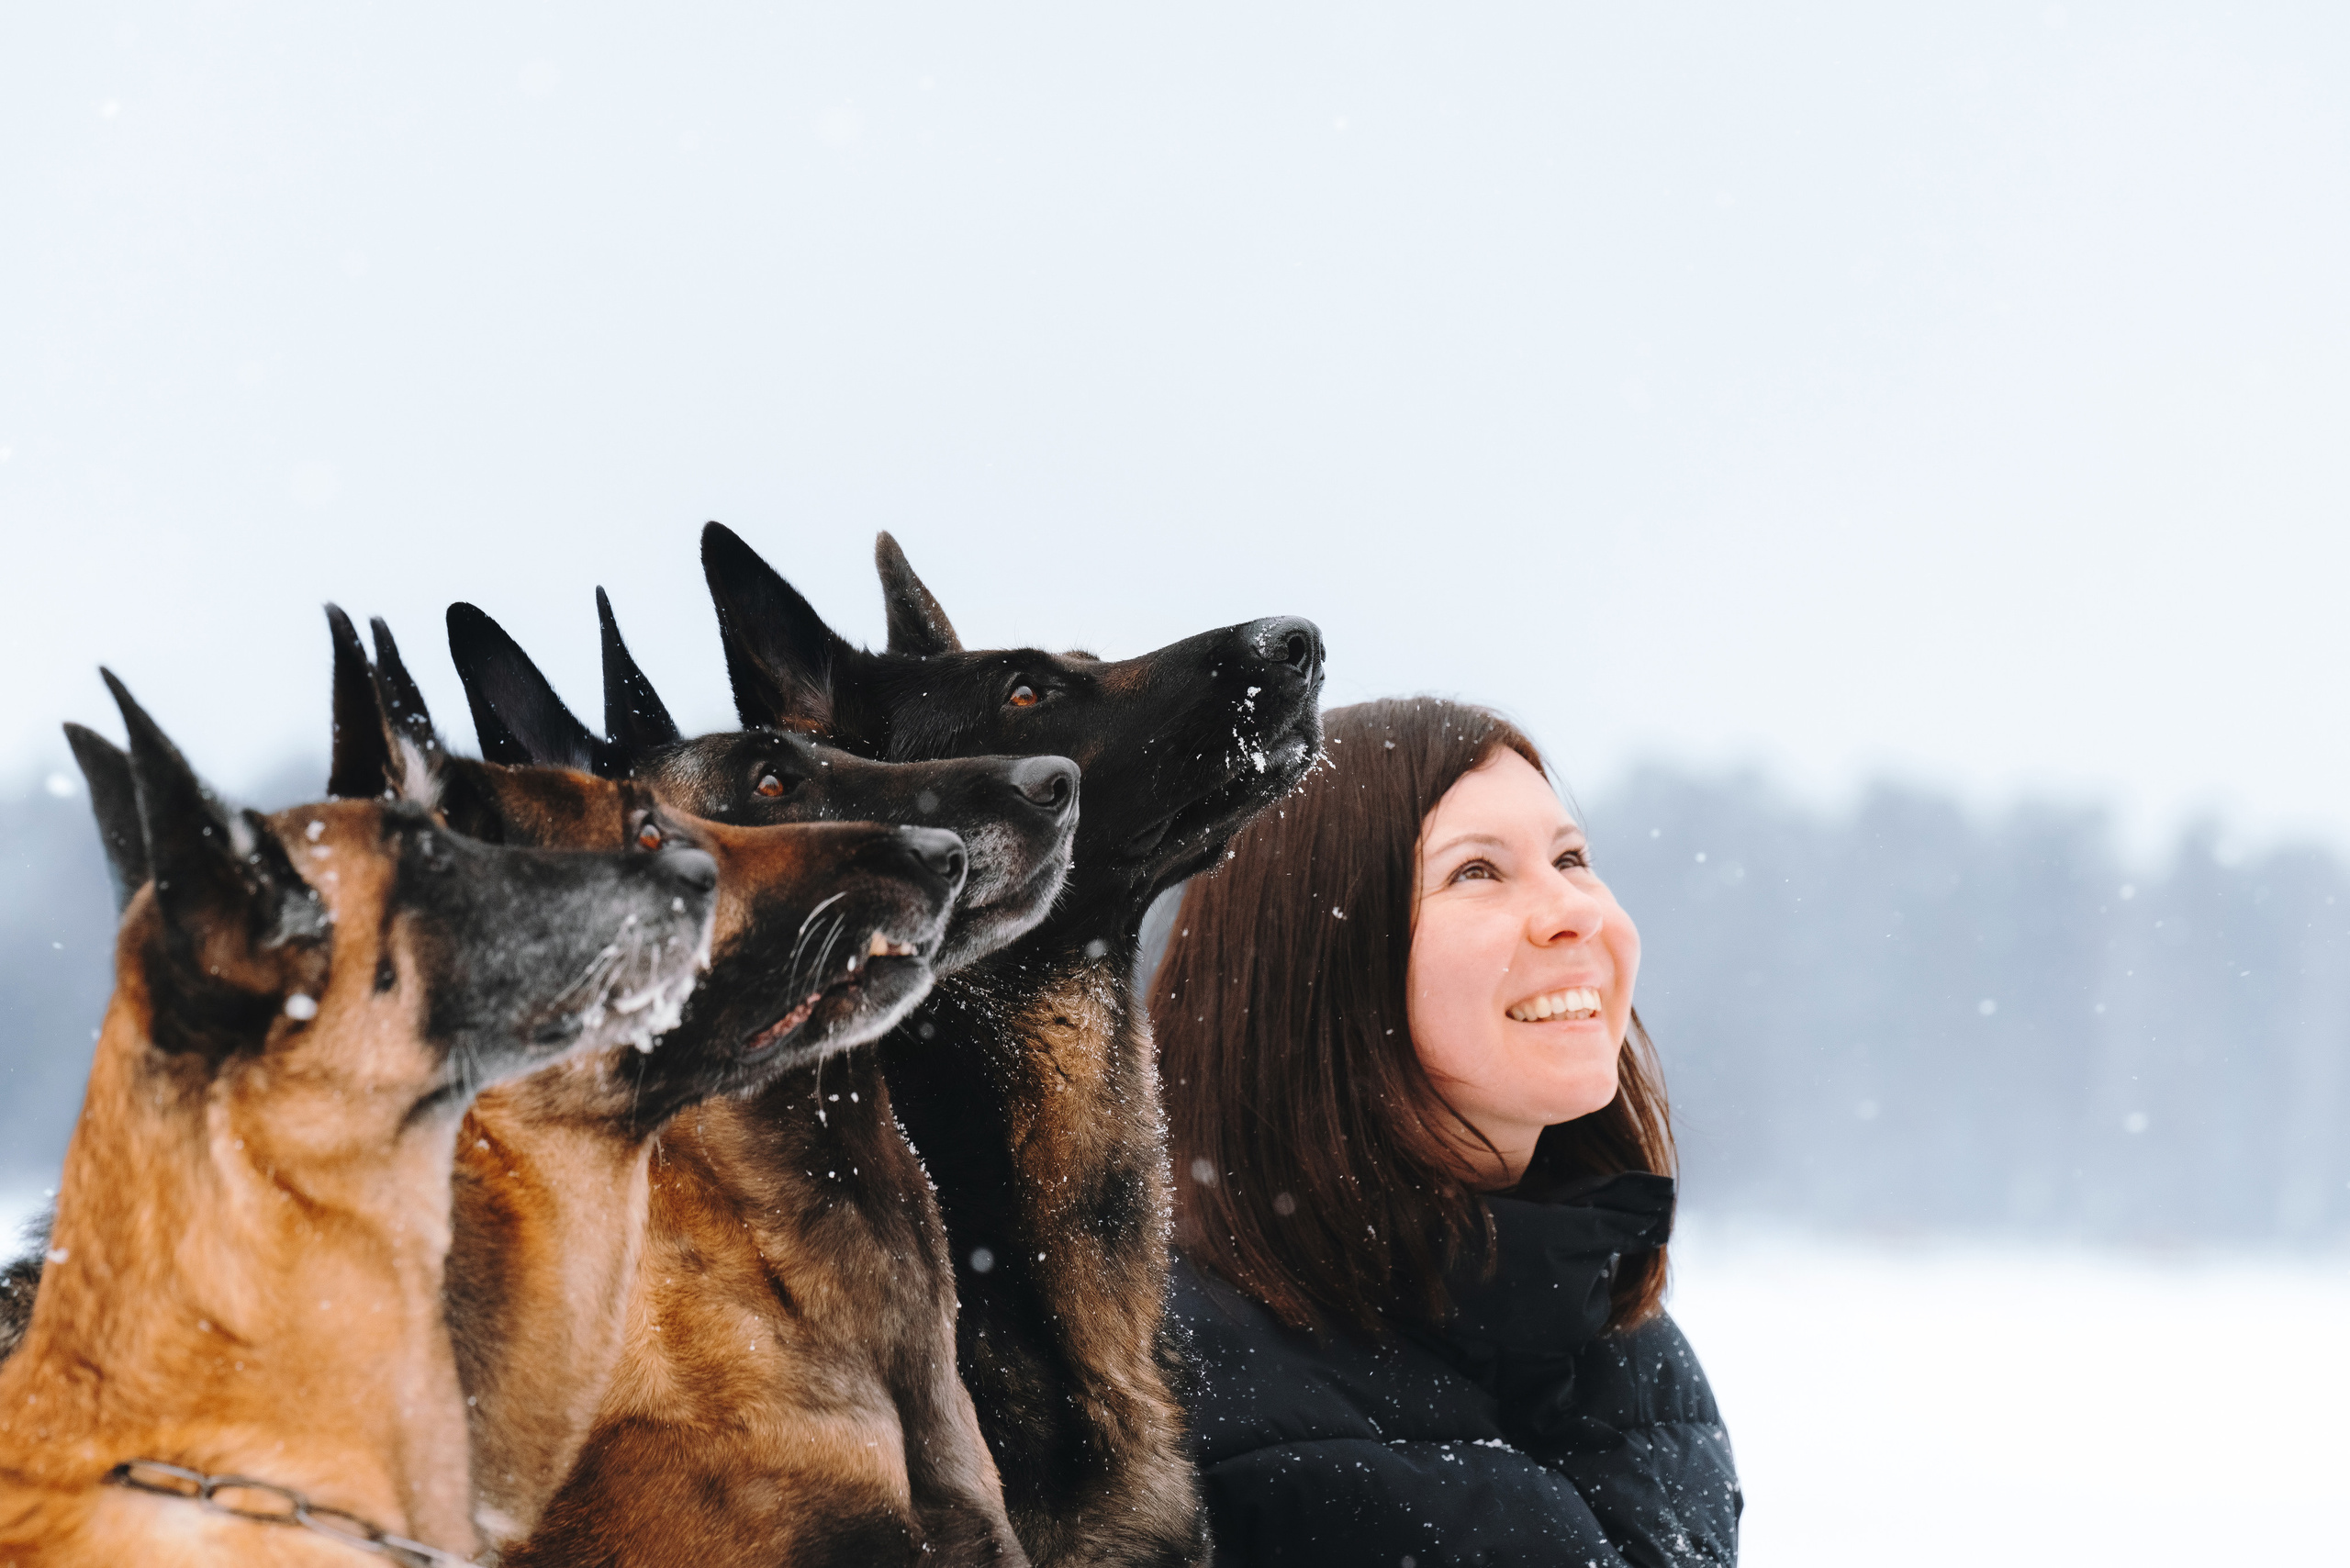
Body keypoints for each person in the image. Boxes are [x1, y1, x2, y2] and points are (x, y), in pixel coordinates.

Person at [1154, 697, 1740, 1566]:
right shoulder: (1171, 1387)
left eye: (1572, 858)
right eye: (1477, 872)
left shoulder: (1627, 1348)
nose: (1573, 910)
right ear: (1319, 962)